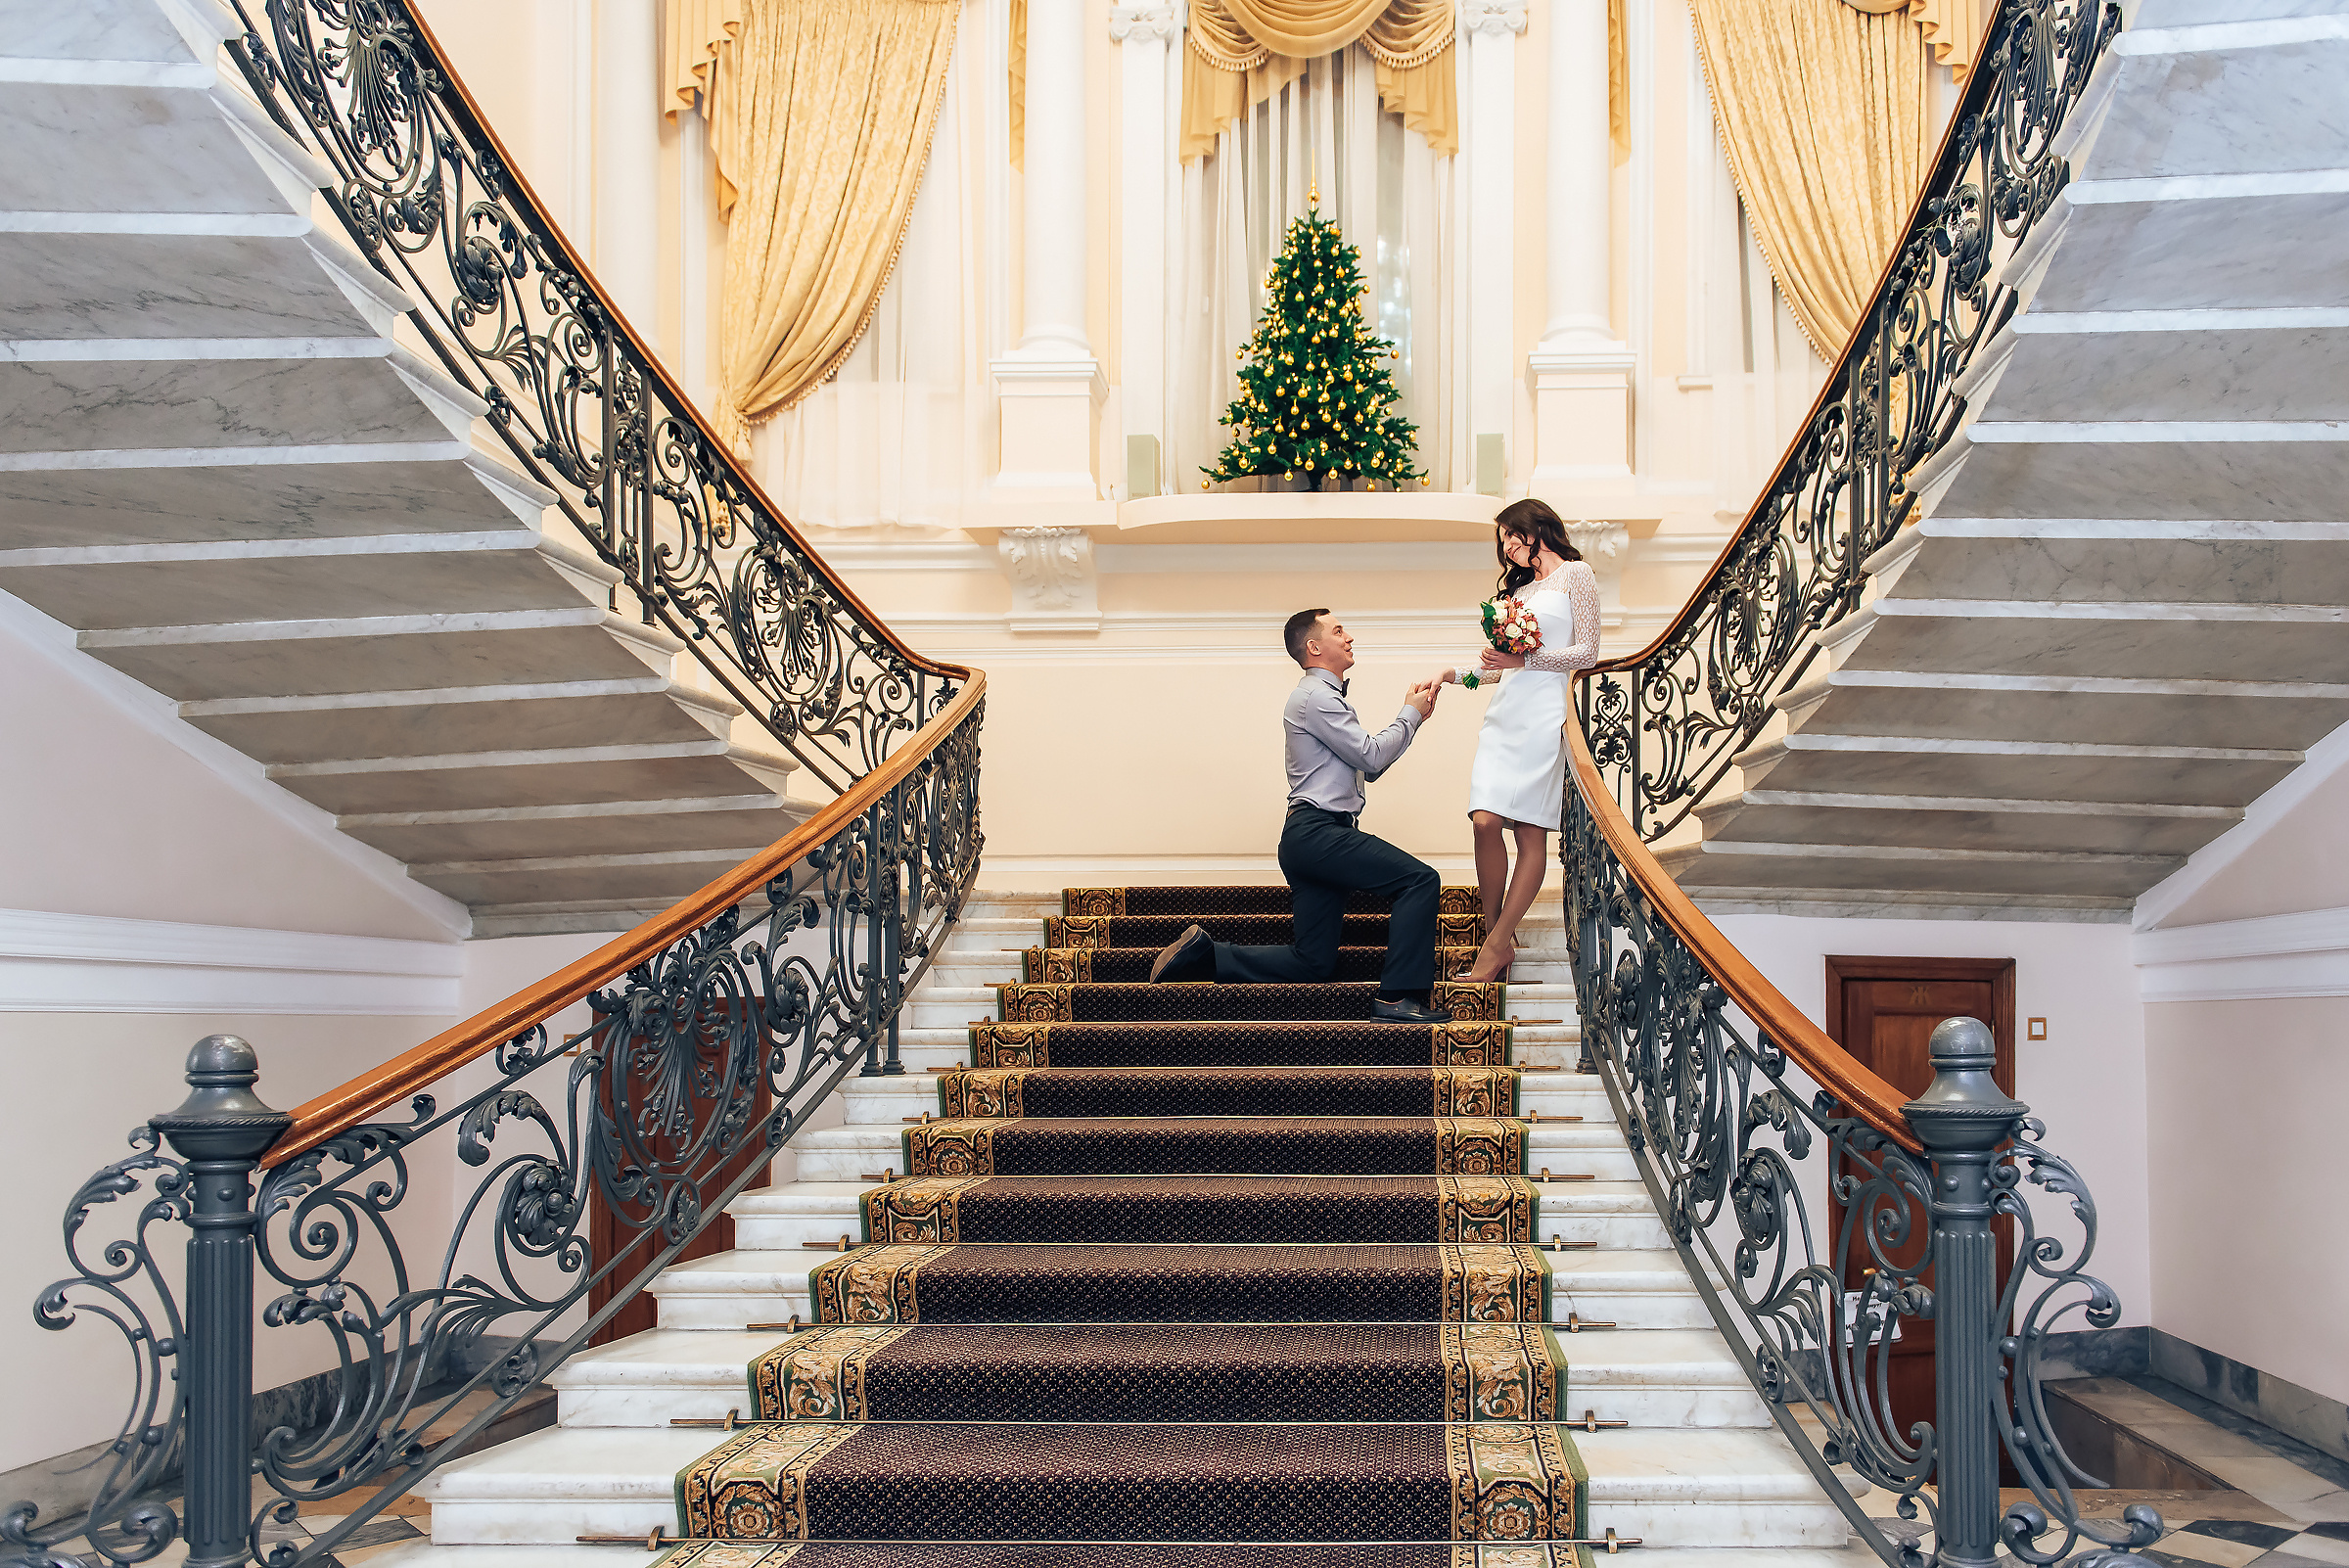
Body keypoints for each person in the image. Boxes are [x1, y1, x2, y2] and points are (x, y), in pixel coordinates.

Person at [1149, 609, 1452, 1024]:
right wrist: (1411, 713)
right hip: (1318, 832)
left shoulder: (1323, 698)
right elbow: (1372, 754)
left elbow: (1372, 767)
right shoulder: (1316, 696)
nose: (1350, 637)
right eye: (1338, 630)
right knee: (1420, 881)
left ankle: (1208, 956)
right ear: (1314, 647)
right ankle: (1397, 997)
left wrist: (1413, 716)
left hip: (1310, 837)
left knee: (1313, 963)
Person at [1436, 499, 1602, 982]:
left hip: (1546, 714)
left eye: (1514, 533)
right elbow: (1496, 670)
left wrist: (1523, 663)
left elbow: (1587, 653)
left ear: (1539, 528)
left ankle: (1492, 949)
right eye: (1502, 538)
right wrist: (1455, 674)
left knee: (1529, 833)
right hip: (1505, 715)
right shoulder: (1519, 592)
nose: (1507, 545)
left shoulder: (1577, 575)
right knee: (1484, 821)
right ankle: (1498, 938)